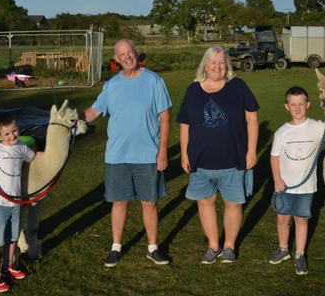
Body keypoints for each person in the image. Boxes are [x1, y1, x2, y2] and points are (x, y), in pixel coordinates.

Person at [81, 39, 172, 267]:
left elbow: (165, 116)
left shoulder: (154, 81)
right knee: (119, 202)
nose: (127, 57)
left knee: (149, 203)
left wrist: (162, 151)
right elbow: (93, 112)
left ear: (135, 52)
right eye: (122, 54)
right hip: (117, 156)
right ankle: (116, 247)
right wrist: (70, 120)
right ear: (117, 60)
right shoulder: (111, 85)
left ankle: (153, 247)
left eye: (129, 52)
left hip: (148, 155)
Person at [177, 46, 259, 264]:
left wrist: (251, 151)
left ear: (228, 65)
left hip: (233, 159)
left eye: (222, 62)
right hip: (201, 161)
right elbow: (184, 125)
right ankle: (214, 245)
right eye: (213, 62)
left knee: (233, 204)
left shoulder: (238, 86)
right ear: (205, 64)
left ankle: (230, 246)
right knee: (205, 203)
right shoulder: (192, 90)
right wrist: (185, 154)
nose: (218, 66)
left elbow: (252, 119)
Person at [269, 86, 325, 275]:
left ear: (308, 105)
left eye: (301, 104)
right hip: (284, 186)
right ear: (286, 106)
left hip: (306, 187)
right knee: (282, 219)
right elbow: (274, 157)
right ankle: (283, 249)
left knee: (301, 220)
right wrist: (277, 179)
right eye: (293, 104)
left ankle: (299, 254)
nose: (297, 108)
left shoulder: (317, 127)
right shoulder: (282, 132)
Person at [0, 113, 40, 292]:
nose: (12, 136)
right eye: (7, 134)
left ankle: (8, 266)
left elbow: (34, 157)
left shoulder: (21, 147)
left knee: (13, 237)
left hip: (16, 202)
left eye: (15, 131)